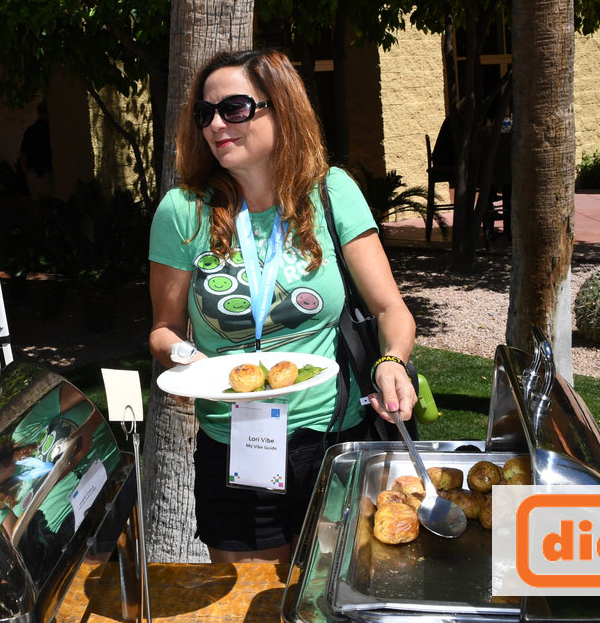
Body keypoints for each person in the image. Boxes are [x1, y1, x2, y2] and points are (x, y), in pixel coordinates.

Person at [148, 48, 418, 564]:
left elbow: (390, 310)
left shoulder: (331, 193)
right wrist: (192, 366)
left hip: (333, 438)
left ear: (282, 109)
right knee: (252, 606)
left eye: (235, 108)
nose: (215, 125)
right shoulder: (183, 211)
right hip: (234, 444)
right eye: (205, 114)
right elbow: (164, 329)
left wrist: (391, 362)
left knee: (337, 594)